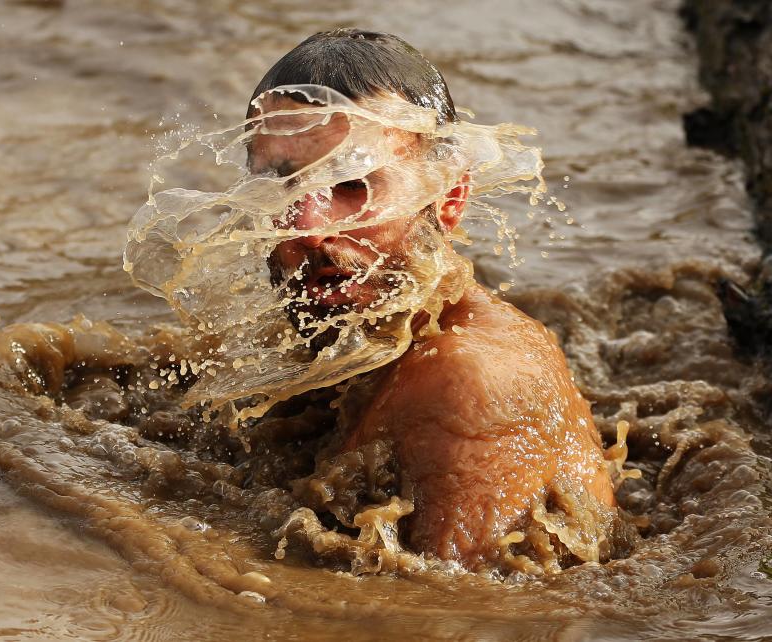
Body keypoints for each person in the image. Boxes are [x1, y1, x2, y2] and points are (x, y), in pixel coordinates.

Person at [246, 29, 616, 570]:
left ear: (448, 198)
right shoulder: (356, 332)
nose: (307, 225)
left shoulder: (469, 382)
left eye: (353, 184)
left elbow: (461, 614)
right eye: (283, 182)